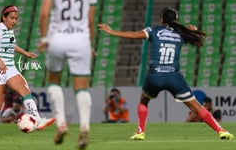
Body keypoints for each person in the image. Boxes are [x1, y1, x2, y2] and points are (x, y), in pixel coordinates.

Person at [98, 7, 234, 140]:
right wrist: (194, 30)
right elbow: (197, 38)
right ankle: (221, 131)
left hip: (154, 76)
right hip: (174, 77)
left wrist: (111, 31)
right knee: (197, 107)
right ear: (176, 20)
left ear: (161, 19)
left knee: (144, 101)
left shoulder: (153, 30)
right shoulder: (181, 33)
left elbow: (134, 35)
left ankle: (140, 132)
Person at [37, 0, 97, 150]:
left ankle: (61, 123)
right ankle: (85, 126)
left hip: (57, 40)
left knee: (53, 80)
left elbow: (44, 14)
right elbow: (90, 21)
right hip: (80, 40)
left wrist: (44, 38)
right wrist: (90, 44)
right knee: (81, 86)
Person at [0, 5, 55, 136]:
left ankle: (38, 119)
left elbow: (12, 45)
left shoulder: (10, 30)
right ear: (4, 17)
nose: (14, 21)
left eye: (16, 19)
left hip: (9, 66)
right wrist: (0, 61)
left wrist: (24, 53)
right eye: (11, 18)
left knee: (25, 90)